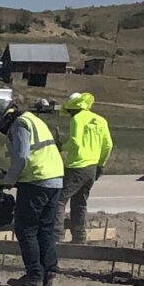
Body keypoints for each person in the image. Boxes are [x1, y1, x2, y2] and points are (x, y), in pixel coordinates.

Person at [0, 87, 65, 286]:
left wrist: (7, 181)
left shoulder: (19, 125)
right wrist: (9, 176)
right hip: (54, 179)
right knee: (46, 228)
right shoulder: (33, 119)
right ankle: (49, 272)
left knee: (26, 228)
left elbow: (23, 157)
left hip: (36, 181)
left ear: (4, 120)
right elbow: (34, 156)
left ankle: (34, 275)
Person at [58, 91, 112, 240]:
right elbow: (108, 145)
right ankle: (80, 238)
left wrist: (61, 147)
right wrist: (100, 165)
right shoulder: (100, 120)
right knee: (80, 203)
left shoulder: (77, 119)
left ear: (72, 109)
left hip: (76, 166)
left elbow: (75, 142)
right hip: (92, 167)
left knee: (59, 201)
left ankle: (56, 237)